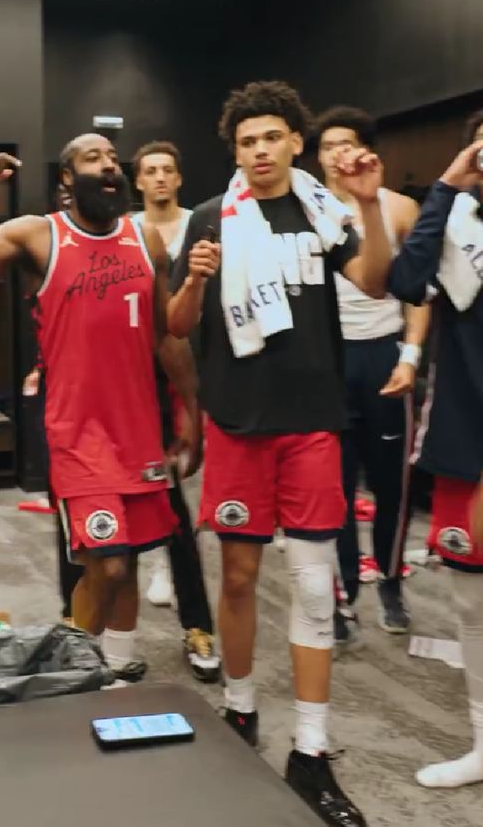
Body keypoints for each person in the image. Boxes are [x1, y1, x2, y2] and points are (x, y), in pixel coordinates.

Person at [168, 80, 392, 827]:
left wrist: (368, 205)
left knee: (313, 584)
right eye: (246, 142)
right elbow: (176, 323)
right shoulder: (210, 218)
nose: (260, 151)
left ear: (296, 141)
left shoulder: (325, 212)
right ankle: (239, 709)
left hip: (312, 423)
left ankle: (312, 749)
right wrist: (195, 279)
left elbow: (374, 281)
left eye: (271, 137)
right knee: (237, 576)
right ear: (234, 153)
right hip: (237, 422)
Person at [0, 136, 201, 652]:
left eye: (112, 158)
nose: (108, 165)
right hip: (77, 434)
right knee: (108, 563)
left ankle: (116, 669)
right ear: (68, 179)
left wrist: (192, 410)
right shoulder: (38, 235)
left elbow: (167, 336)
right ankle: (73, 666)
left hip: (138, 431)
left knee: (128, 561)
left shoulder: (146, 240)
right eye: (92, 158)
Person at [387, 116, 483, 790]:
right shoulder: (457, 222)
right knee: (471, 597)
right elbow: (405, 278)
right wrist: (446, 187)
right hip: (465, 427)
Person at [316, 106, 430, 638]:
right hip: (331, 358)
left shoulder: (399, 208)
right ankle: (342, 595)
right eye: (328, 146)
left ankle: (389, 579)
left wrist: (410, 356)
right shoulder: (308, 210)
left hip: (384, 354)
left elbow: (419, 291)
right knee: (333, 487)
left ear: (364, 151)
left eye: (347, 143)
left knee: (391, 484)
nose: (338, 153)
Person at [132, 140, 220, 682]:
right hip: (129, 377)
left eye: (168, 169)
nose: (160, 178)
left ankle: (197, 624)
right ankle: (86, 632)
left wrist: (192, 402)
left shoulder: (202, 224)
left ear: (179, 177)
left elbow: (180, 326)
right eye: (151, 170)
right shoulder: (124, 230)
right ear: (139, 181)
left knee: (174, 498)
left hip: (186, 365)